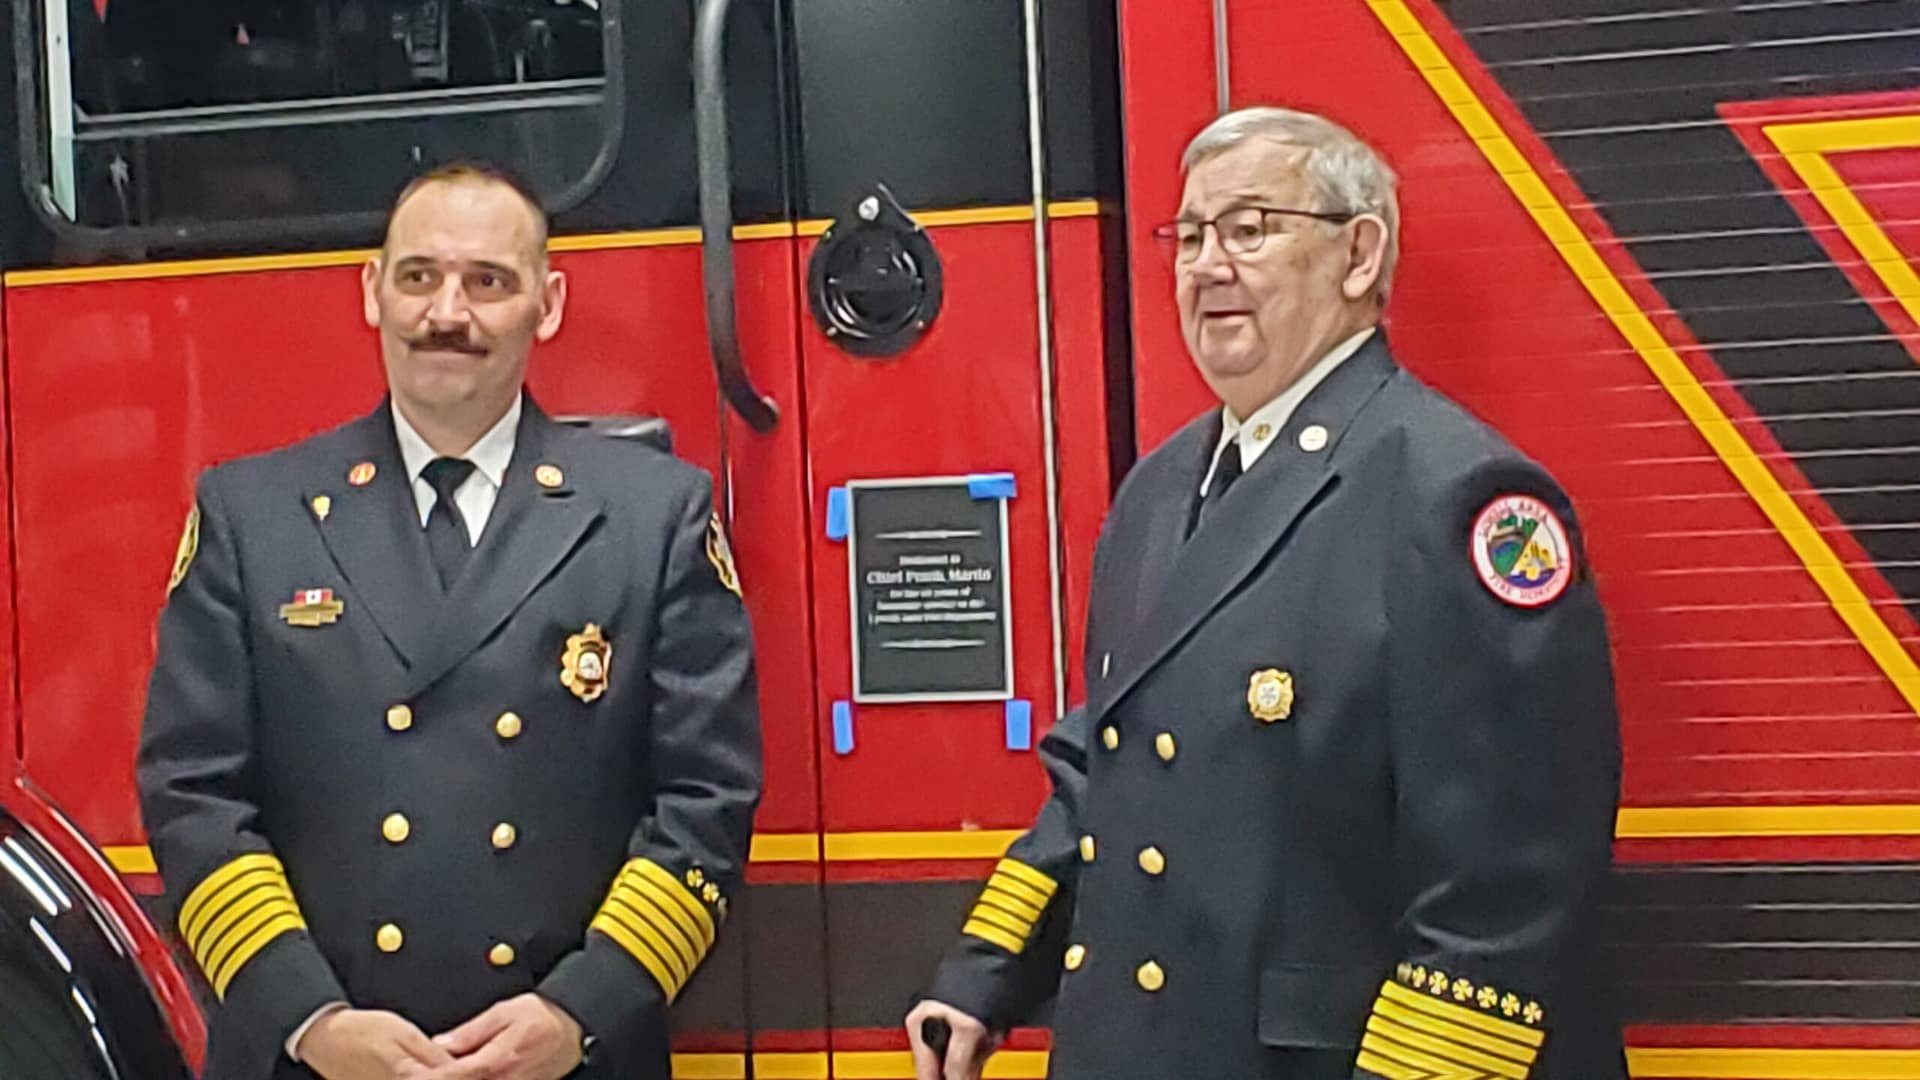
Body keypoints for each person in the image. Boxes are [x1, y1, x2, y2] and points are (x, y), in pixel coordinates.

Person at [905, 106, 1624, 1080]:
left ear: (1359, 256)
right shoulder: (1159, 490)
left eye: (1250, 229)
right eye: (1191, 236)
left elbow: (1502, 889)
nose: (1207, 265)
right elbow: (1104, 768)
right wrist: (984, 972)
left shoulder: (1458, 497)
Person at [137, 163, 762, 1080]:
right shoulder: (250, 514)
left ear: (547, 306)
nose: (447, 314)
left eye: (488, 282)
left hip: (566, 1060)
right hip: (313, 1059)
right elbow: (192, 796)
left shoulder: (654, 517)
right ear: (372, 292)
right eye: (419, 276)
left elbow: (707, 805)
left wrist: (576, 1012)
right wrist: (309, 1019)